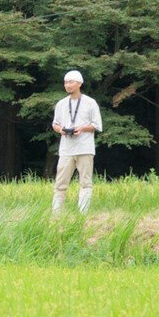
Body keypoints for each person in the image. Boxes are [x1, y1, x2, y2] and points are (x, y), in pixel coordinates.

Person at [51, 70, 103, 212]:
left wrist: (82, 128)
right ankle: (56, 213)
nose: (68, 85)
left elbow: (97, 125)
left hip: (85, 148)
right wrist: (61, 130)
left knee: (85, 182)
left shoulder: (90, 103)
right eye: (66, 82)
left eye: (71, 82)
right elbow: (55, 124)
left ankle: (83, 213)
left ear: (79, 83)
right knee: (60, 183)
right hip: (66, 149)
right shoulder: (61, 104)